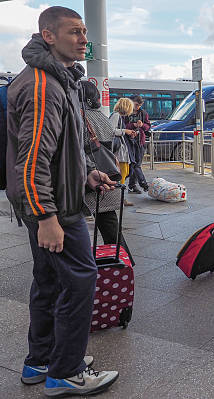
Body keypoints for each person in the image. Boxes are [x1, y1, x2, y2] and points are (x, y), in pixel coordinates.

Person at [5, 6, 119, 396]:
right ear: (49, 36)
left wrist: (86, 173)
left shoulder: (58, 79)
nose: (84, 39)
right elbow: (32, 161)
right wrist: (47, 217)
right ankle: (66, 371)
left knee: (50, 282)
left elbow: (58, 151)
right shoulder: (42, 85)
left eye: (85, 32)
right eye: (74, 32)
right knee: (80, 282)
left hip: (56, 201)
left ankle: (40, 361)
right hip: (55, 209)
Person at [81, 82, 134, 263]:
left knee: (75, 224)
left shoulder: (80, 117)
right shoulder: (102, 117)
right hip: (107, 173)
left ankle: (86, 270)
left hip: (90, 175)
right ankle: (124, 262)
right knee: (110, 224)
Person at [110, 98, 137, 207]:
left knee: (123, 173)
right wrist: (125, 131)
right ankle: (119, 198)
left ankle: (120, 198)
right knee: (122, 174)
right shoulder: (116, 116)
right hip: (119, 153)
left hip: (121, 152)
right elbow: (111, 130)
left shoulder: (117, 116)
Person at [124, 94, 150, 194]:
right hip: (129, 142)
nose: (137, 107)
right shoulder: (126, 113)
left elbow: (148, 127)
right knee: (135, 165)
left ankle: (132, 185)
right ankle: (144, 184)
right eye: (136, 105)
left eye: (139, 105)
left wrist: (142, 125)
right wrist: (133, 125)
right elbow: (123, 125)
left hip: (140, 141)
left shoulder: (143, 113)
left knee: (136, 164)